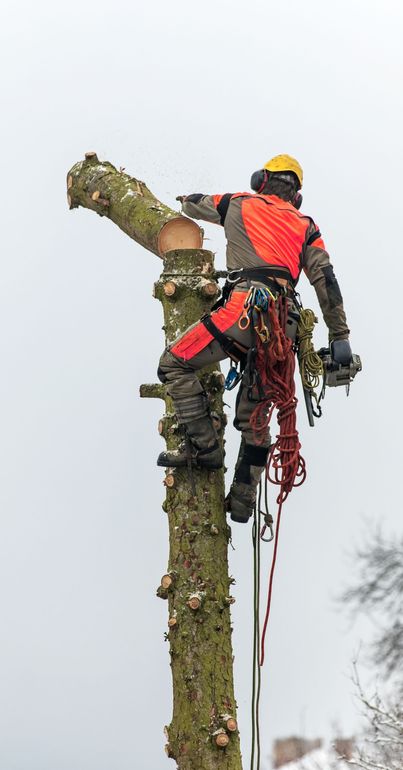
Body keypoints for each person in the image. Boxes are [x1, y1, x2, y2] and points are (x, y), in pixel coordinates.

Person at [157, 154, 351, 523]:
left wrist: (183, 199)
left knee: (173, 364)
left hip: (245, 309)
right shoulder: (305, 224)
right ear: (296, 195)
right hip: (285, 321)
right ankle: (243, 500)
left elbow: (195, 203)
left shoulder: (236, 202)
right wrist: (339, 334)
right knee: (255, 419)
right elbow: (326, 279)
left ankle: (205, 447)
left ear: (261, 180)